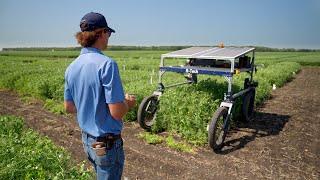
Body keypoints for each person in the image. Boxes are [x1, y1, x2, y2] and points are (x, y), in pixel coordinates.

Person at [64, 12, 136, 180]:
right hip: (106, 144)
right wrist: (127, 103)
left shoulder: (72, 67)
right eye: (108, 33)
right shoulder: (107, 64)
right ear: (101, 33)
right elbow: (117, 112)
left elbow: (69, 107)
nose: (108, 37)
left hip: (88, 141)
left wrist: (91, 103)